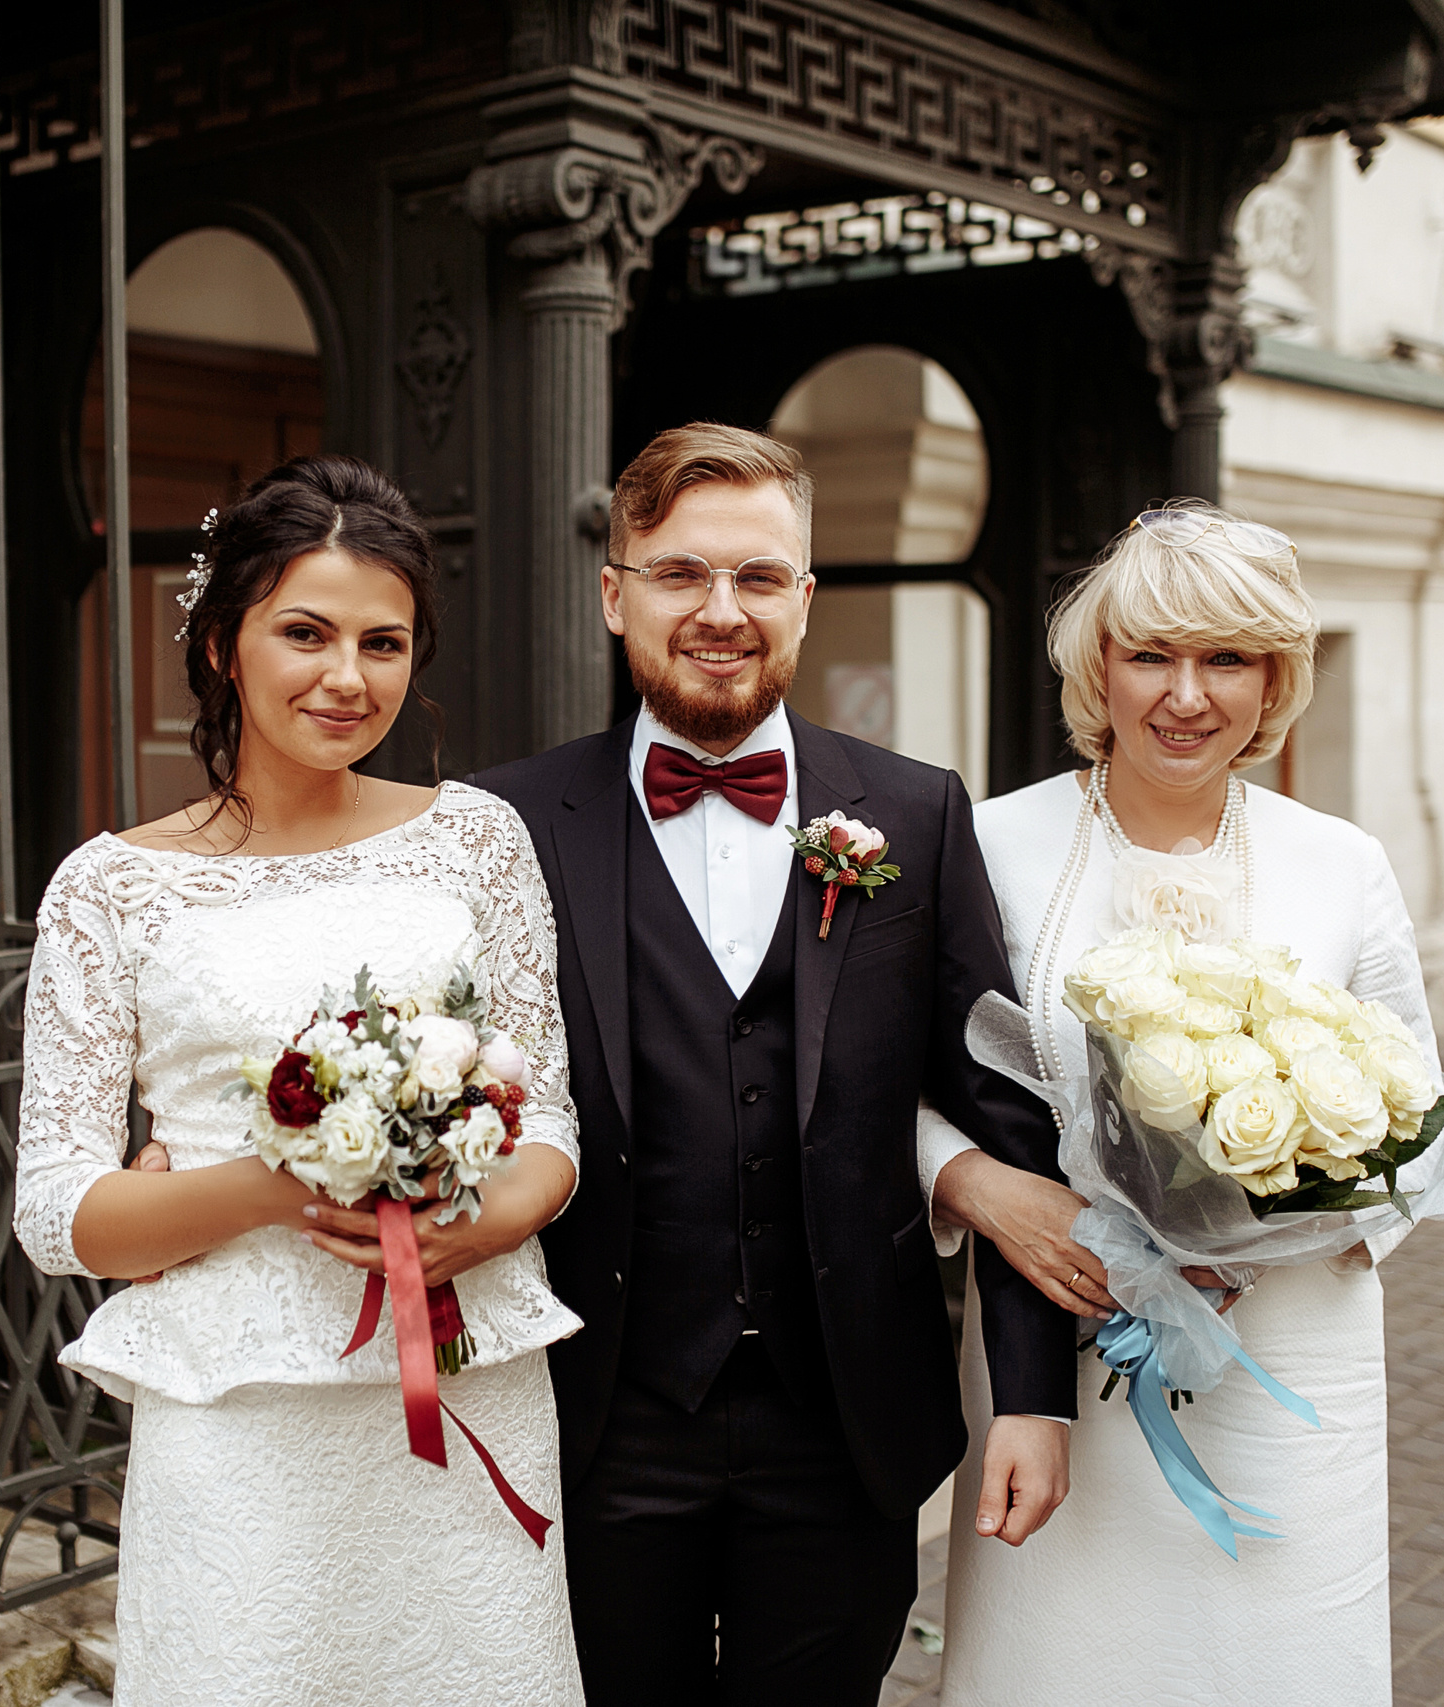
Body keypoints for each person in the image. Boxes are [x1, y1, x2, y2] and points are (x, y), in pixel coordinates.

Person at [471, 423, 1076, 1705]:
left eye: (757, 577)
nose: (719, 611)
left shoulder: (917, 811)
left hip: (844, 1421)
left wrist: (1035, 1397)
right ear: (614, 591)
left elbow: (1007, 1118)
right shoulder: (502, 824)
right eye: (682, 574)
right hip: (595, 1415)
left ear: (804, 597)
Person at [13, 455, 586, 1707]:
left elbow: (547, 1124)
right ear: (224, 643)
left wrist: (463, 1229)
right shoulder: (112, 888)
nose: (347, 676)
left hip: (464, 1363)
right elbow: (58, 1218)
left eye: (384, 642)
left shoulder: (476, 838)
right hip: (240, 1405)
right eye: (305, 633)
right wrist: (277, 1184)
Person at [922, 502, 1444, 1707]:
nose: (1184, 694)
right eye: (1150, 654)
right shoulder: (993, 844)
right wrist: (973, 1188)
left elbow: (1417, 1127)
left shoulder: (1342, 863)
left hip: (1286, 1362)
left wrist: (1252, 1242)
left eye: (1226, 658)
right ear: (1095, 667)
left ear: (1274, 680)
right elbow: (897, 1086)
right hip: (1053, 1347)